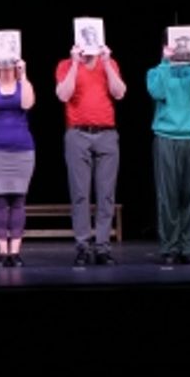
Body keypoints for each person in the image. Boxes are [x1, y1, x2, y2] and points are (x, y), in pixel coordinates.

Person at [55, 42, 127, 265]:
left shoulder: (109, 63)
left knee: (106, 194)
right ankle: (83, 246)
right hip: (78, 134)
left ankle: (103, 246)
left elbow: (119, 93)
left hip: (106, 134)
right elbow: (63, 95)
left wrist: (107, 62)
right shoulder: (66, 65)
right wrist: (75, 63)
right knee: (80, 194)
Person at [147, 43, 190, 265]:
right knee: (168, 197)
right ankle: (169, 248)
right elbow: (157, 92)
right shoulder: (157, 71)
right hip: (166, 137)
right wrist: (165, 62)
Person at [0, 58, 36, 267]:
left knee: (19, 200)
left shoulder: (24, 84)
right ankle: (3, 252)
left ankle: (15, 252)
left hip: (22, 150)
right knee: (0, 201)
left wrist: (24, 74)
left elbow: (27, 104)